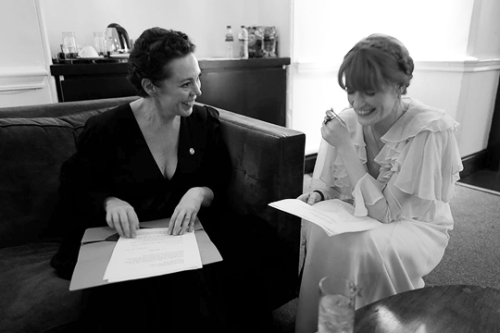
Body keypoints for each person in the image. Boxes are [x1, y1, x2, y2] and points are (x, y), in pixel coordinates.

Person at [50, 27, 273, 332]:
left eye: (198, 77)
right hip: (136, 241)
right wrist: (109, 201)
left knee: (253, 246)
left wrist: (199, 192)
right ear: (150, 86)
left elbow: (218, 180)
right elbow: (76, 187)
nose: (199, 90)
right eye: (185, 84)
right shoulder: (107, 130)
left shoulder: (202, 121)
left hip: (184, 232)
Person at [294, 34, 463, 333]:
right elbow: (332, 187)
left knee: (360, 244)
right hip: (365, 215)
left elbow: (387, 213)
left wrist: (346, 146)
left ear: (400, 86)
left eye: (369, 92)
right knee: (321, 230)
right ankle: (328, 327)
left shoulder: (427, 130)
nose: (358, 104)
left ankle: (370, 324)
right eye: (351, 91)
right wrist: (318, 194)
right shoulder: (347, 120)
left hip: (416, 223)